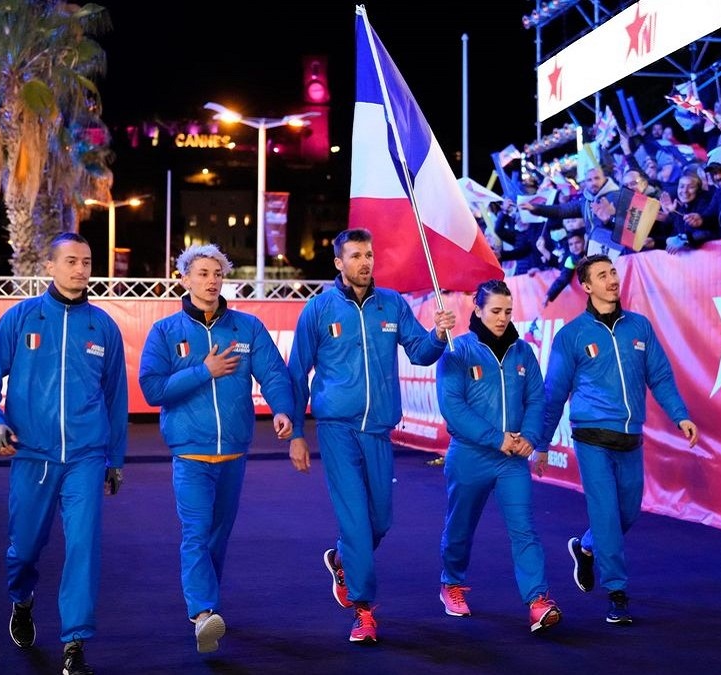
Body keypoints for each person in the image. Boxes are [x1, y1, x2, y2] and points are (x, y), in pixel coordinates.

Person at [287, 227, 456, 644]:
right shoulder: (319, 309)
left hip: (379, 430)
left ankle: (342, 559)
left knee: (380, 521)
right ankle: (364, 611)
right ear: (338, 263)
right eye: (356, 256)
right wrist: (296, 432)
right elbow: (296, 372)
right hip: (336, 429)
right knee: (358, 524)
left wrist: (436, 334)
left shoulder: (392, 304)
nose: (365, 262)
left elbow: (420, 353)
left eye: (369, 255)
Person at [0, 232, 128, 675]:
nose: (81, 269)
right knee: (23, 550)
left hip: (86, 457)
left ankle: (74, 643)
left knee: (83, 547)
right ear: (51, 266)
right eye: (72, 261)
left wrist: (114, 460)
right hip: (32, 456)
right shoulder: (21, 319)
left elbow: (116, 400)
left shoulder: (103, 327)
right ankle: (21, 598)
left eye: (88, 261)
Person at [138, 244, 295, 654]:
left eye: (217, 274)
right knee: (195, 533)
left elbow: (275, 373)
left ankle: (209, 608)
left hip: (234, 454)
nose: (211, 281)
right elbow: (152, 389)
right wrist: (202, 371)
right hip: (190, 454)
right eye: (202, 273)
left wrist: (282, 409)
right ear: (185, 279)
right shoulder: (166, 332)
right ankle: (203, 613)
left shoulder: (247, 328)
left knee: (217, 537)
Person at [539, 254, 698, 624]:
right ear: (586, 286)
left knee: (627, 513)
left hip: (631, 439)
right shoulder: (571, 336)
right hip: (591, 438)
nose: (612, 279)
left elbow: (659, 376)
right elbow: (553, 395)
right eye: (602, 275)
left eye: (613, 272)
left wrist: (681, 416)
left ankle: (586, 546)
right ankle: (618, 594)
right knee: (607, 515)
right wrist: (543, 444)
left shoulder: (639, 328)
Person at [434, 279, 562, 633]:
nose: (503, 318)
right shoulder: (456, 351)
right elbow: (452, 407)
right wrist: (495, 438)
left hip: (511, 460)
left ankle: (538, 601)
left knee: (525, 530)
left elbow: (537, 399)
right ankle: (452, 583)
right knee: (460, 528)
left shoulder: (523, 353)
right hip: (469, 456)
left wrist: (531, 438)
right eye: (495, 311)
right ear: (477, 310)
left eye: (508, 311)